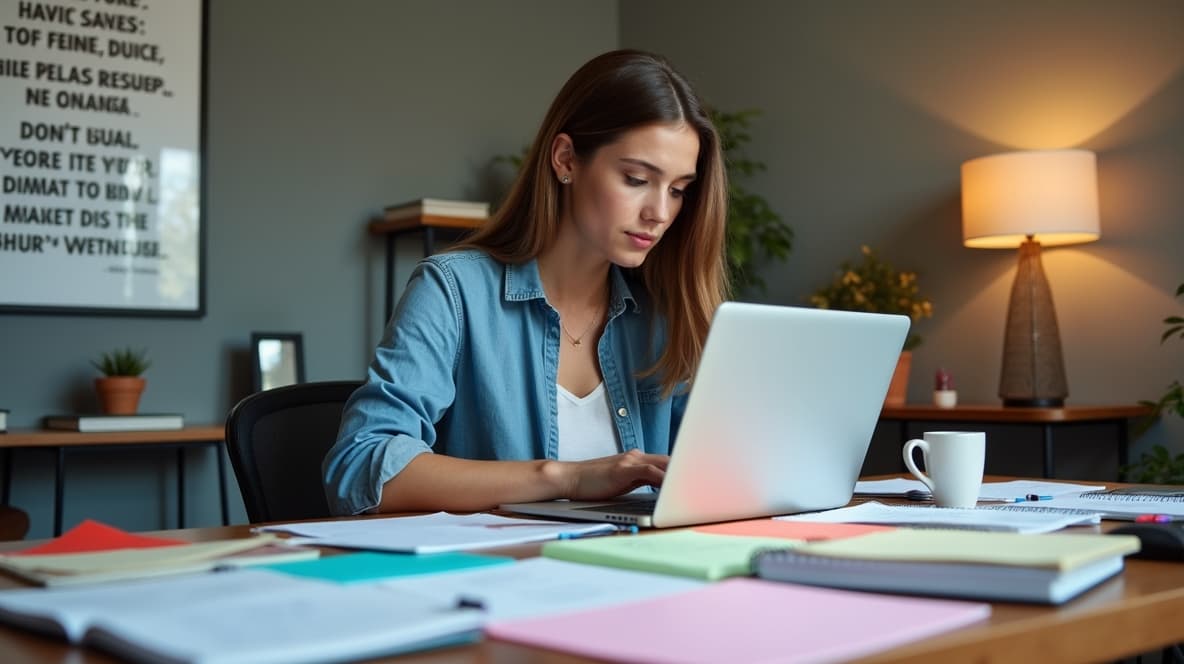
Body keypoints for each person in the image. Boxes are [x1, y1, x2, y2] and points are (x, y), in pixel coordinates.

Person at [323, 49, 729, 515]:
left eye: (678, 190)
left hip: (641, 575)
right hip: (497, 578)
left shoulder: (665, 318)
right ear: (566, 160)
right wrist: (567, 478)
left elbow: (713, 479)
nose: (660, 212)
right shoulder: (454, 292)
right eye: (637, 178)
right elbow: (361, 466)